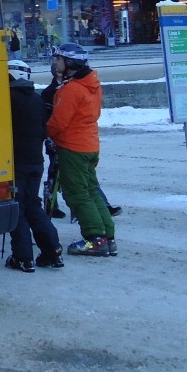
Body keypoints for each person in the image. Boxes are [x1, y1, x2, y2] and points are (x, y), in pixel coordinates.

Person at [46, 43, 116, 257]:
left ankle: (95, 238)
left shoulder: (72, 90)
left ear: (70, 63)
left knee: (77, 193)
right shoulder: (91, 84)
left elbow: (58, 122)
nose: (55, 63)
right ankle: (107, 236)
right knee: (91, 190)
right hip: (89, 144)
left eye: (59, 59)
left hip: (72, 147)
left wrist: (44, 133)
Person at [4, 60, 62, 272]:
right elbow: (44, 130)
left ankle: (23, 257)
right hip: (36, 161)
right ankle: (52, 251)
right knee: (33, 205)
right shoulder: (37, 100)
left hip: (15, 161)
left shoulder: (8, 100)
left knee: (17, 207)